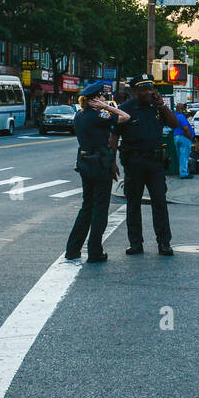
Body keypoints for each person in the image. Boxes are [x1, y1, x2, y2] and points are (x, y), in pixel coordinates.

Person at [111, 77, 179, 256]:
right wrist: (112, 161)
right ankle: (135, 243)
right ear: (135, 91)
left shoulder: (156, 108)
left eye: (151, 88)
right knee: (133, 204)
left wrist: (162, 105)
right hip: (133, 162)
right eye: (145, 89)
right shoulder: (125, 109)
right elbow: (114, 136)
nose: (149, 92)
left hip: (155, 163)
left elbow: (174, 124)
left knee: (160, 202)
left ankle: (164, 242)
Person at [66, 81, 131, 263]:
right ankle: (95, 252)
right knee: (100, 209)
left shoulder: (79, 115)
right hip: (100, 165)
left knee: (86, 206)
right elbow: (125, 116)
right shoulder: (100, 115)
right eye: (102, 96)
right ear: (95, 99)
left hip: (85, 163)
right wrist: (106, 107)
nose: (104, 99)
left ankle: (72, 249)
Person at [173, 103, 197, 180]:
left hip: (176, 136)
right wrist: (190, 137)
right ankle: (184, 173)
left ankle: (183, 171)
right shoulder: (181, 116)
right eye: (183, 109)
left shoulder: (174, 116)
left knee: (180, 156)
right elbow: (185, 128)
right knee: (184, 156)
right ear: (181, 109)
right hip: (184, 137)